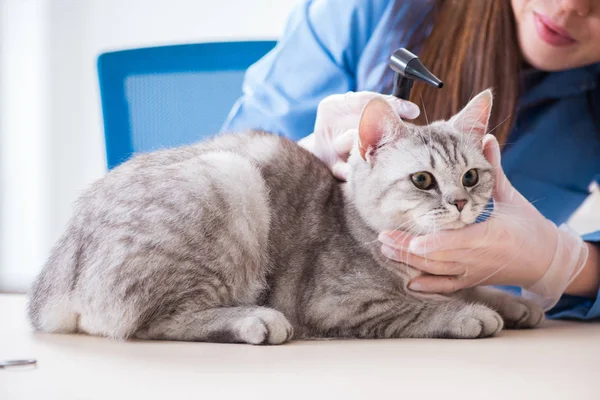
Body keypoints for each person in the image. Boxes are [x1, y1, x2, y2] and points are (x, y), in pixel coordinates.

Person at [223, 0, 600, 319]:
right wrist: (300, 159)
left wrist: (566, 265)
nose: (572, 6)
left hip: (473, 346)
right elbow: (218, 180)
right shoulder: (369, 9)